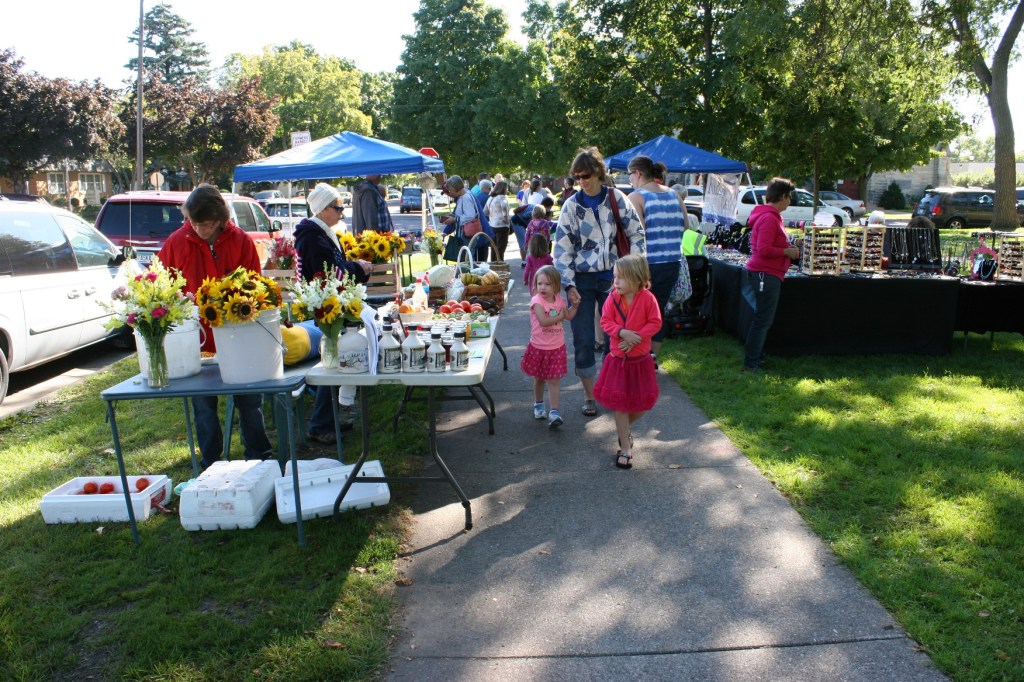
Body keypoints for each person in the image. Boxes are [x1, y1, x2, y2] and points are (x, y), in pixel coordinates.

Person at [156, 184, 274, 469]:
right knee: (203, 406)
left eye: (207, 224)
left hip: (238, 334)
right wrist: (176, 299)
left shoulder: (241, 240)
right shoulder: (177, 241)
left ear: (220, 219)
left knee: (249, 401)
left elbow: (255, 285)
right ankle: (211, 463)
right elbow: (161, 283)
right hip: (197, 339)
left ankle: (259, 457)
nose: (200, 230)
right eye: (194, 223)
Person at [553, 147, 645, 418]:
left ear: (598, 173)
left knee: (614, 337)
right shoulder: (571, 206)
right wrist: (569, 285)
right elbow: (562, 249)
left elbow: (637, 233)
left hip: (615, 278)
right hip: (581, 279)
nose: (582, 181)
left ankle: (609, 387)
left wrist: (633, 269)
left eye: (586, 175)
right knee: (582, 339)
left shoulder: (616, 198)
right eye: (577, 177)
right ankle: (589, 395)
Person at [294, 183, 373, 443]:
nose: (342, 212)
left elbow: (334, 268)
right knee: (332, 364)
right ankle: (320, 424)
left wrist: (355, 267)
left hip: (330, 304)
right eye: (338, 208)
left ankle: (326, 419)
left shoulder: (321, 233)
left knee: (335, 362)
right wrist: (358, 268)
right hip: (326, 308)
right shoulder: (313, 238)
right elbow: (329, 274)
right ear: (323, 209)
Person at [593, 255, 661, 469]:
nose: (616, 281)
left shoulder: (648, 299)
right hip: (618, 362)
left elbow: (655, 322)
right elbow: (605, 321)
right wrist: (622, 332)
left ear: (637, 278)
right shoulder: (612, 299)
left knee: (643, 403)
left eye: (621, 277)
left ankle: (623, 429)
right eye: (615, 277)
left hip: (640, 361)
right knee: (621, 405)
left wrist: (636, 337)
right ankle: (625, 447)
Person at [626, 155, 690, 365]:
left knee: (638, 311)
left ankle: (639, 358)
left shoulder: (637, 197)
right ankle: (651, 358)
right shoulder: (674, 194)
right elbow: (686, 226)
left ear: (638, 173)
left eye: (629, 175)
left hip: (647, 265)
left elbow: (637, 233)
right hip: (672, 262)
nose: (629, 179)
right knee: (657, 310)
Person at [742, 177, 801, 373]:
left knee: (762, 319)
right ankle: (751, 363)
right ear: (782, 196)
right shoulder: (769, 218)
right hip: (765, 274)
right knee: (762, 321)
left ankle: (755, 359)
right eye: (789, 197)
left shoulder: (771, 216)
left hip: (766, 274)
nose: (789, 201)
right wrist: (786, 252)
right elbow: (764, 249)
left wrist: (788, 247)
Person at [521, 264, 577, 428]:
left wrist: (574, 306)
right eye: (539, 283)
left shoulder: (560, 300)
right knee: (539, 379)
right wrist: (560, 316)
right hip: (538, 347)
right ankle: (539, 404)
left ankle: (554, 412)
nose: (543, 287)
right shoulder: (537, 301)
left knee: (553, 381)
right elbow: (544, 321)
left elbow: (568, 316)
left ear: (556, 286)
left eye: (547, 284)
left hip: (556, 348)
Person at [440, 175, 495, 263]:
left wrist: (454, 219)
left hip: (470, 234)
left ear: (455, 188)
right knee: (468, 258)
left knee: (469, 259)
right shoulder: (464, 196)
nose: (450, 192)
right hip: (470, 234)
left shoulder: (466, 197)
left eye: (450, 190)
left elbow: (470, 216)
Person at [485, 180, 511, 261]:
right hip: (502, 226)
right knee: (501, 248)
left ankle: (493, 264)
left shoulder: (490, 198)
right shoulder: (502, 197)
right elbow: (504, 208)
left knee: (494, 248)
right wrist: (506, 219)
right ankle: (500, 264)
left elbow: (485, 212)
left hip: (492, 225)